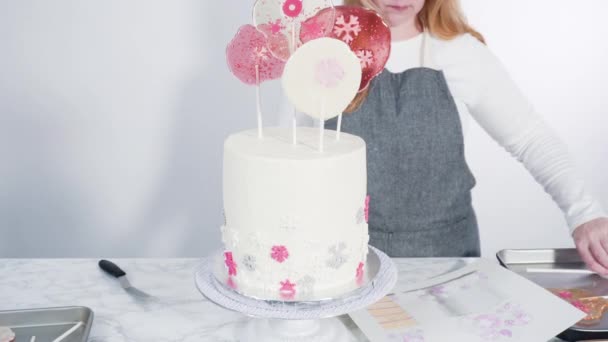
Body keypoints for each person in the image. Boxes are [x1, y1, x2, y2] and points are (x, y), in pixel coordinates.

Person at [283, 0, 608, 271]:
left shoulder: (458, 51)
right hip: (342, 260)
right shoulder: (322, 50)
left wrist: (585, 214)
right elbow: (286, 153)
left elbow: (529, 137)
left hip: (447, 262)